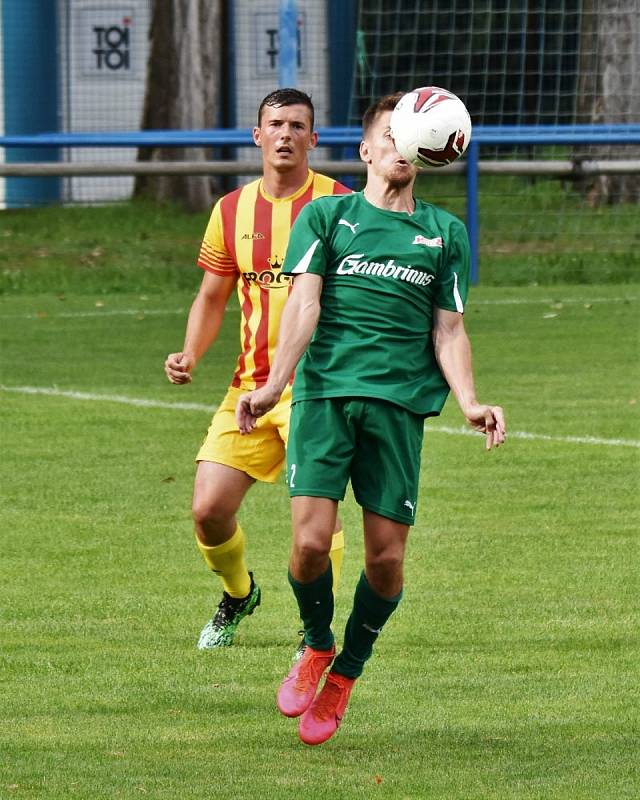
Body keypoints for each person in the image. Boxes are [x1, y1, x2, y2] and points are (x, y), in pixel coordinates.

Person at [236, 92, 506, 745]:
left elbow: (450, 330)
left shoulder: (445, 234)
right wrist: (275, 385)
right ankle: (319, 644)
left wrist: (469, 400)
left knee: (385, 561)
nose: (401, 145)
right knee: (308, 544)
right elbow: (304, 304)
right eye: (390, 135)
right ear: (366, 149)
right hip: (326, 397)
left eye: (411, 136)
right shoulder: (329, 217)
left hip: (397, 411)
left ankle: (346, 675)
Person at [165, 88, 350, 651]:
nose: (286, 134)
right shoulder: (231, 210)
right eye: (276, 124)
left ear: (313, 139)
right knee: (208, 510)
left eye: (298, 125)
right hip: (249, 387)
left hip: (316, 388)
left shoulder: (343, 205)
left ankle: (315, 631)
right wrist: (191, 353)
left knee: (315, 525)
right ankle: (239, 594)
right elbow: (212, 296)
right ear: (258, 135)